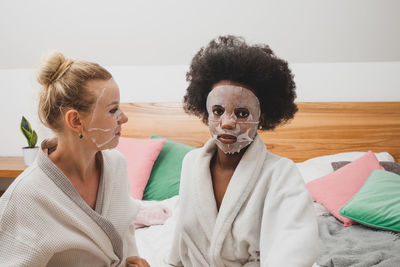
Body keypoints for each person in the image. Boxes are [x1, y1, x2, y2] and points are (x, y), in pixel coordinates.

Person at [167, 35, 318, 266]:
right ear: (206, 113)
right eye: (217, 111)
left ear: (262, 117)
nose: (227, 122)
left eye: (242, 113)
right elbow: (181, 242)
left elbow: (293, 250)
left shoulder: (281, 173)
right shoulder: (191, 162)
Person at [0, 51, 149, 267]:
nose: (124, 117)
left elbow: (124, 236)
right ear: (76, 120)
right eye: (113, 110)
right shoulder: (26, 197)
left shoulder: (116, 164)